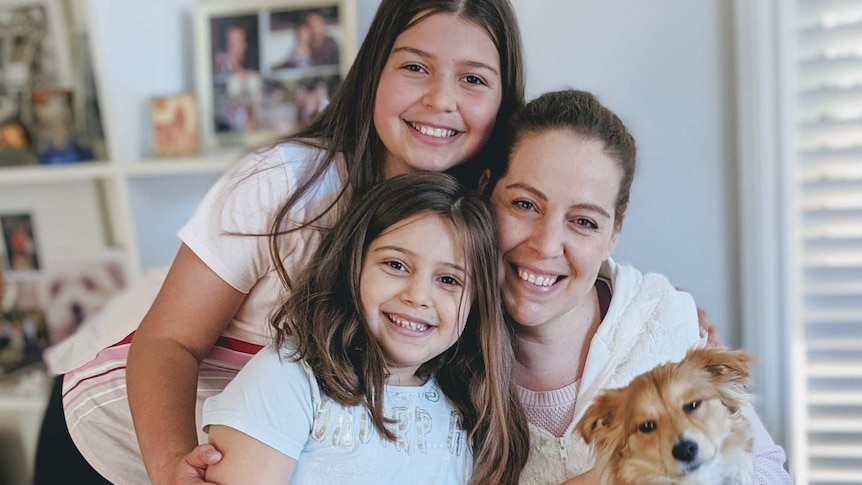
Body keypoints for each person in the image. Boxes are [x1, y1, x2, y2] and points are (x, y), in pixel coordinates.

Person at [42, 0, 525, 484]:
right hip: (116, 436)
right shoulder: (286, 183)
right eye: (415, 66)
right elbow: (170, 340)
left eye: (474, 79)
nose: (441, 99)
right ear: (375, 69)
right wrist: (170, 464)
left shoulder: (481, 221)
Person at [481, 89, 791, 484]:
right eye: (525, 204)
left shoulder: (668, 324)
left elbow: (767, 472)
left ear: (614, 232)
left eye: (585, 222)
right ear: (485, 193)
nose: (545, 244)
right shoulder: (441, 346)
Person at [202, 172, 528, 484]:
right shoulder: (287, 377)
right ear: (353, 264)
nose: (417, 296)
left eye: (449, 280)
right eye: (396, 265)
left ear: (476, 305)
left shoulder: (469, 405)